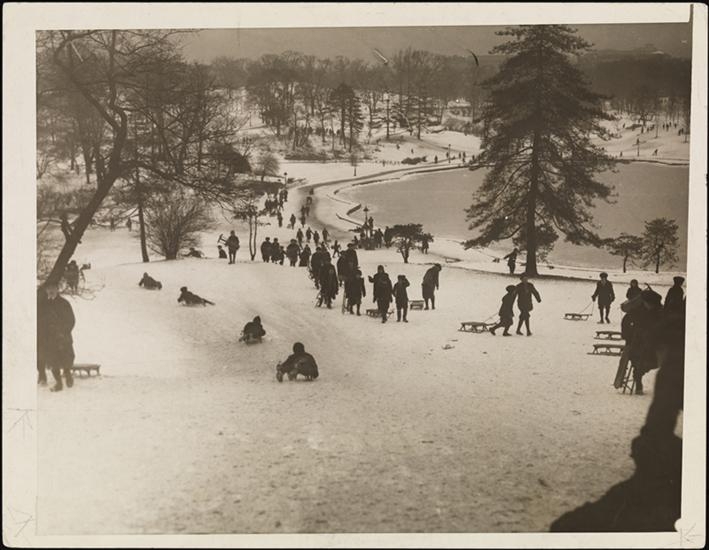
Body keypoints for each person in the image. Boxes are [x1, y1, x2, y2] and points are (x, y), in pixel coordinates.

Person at [37, 280, 75, 391]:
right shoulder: (44, 305)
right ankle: (59, 383)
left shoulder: (64, 303)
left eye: (53, 288)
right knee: (53, 362)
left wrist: (64, 332)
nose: (51, 291)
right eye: (48, 289)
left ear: (57, 289)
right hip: (50, 339)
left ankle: (68, 375)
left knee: (66, 359)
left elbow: (71, 320)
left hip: (63, 337)